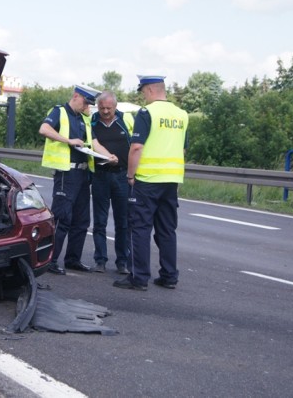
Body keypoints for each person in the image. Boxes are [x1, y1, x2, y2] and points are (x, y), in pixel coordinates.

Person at [113, 75, 188, 291]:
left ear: (150, 90)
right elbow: (182, 149)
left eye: (143, 92)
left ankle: (139, 277)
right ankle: (169, 276)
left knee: (140, 228)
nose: (143, 97)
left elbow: (136, 147)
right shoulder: (181, 115)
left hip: (146, 180)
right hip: (171, 180)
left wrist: (130, 175)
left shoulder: (147, 113)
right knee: (167, 230)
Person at [39, 85, 118, 275]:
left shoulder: (84, 118)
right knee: (62, 218)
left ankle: (73, 259)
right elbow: (44, 129)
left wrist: (109, 156)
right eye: (85, 102)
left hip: (83, 174)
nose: (86, 107)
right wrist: (68, 140)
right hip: (67, 173)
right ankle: (50, 260)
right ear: (76, 96)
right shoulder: (59, 111)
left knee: (82, 220)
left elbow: (94, 143)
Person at [90, 91, 134, 274]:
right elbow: (91, 143)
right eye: (102, 108)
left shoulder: (127, 120)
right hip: (100, 175)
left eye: (109, 108)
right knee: (100, 221)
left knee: (122, 222)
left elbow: (136, 146)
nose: (105, 111)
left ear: (116, 107)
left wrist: (133, 173)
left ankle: (122, 261)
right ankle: (100, 260)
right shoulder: (91, 121)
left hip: (122, 176)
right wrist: (108, 157)